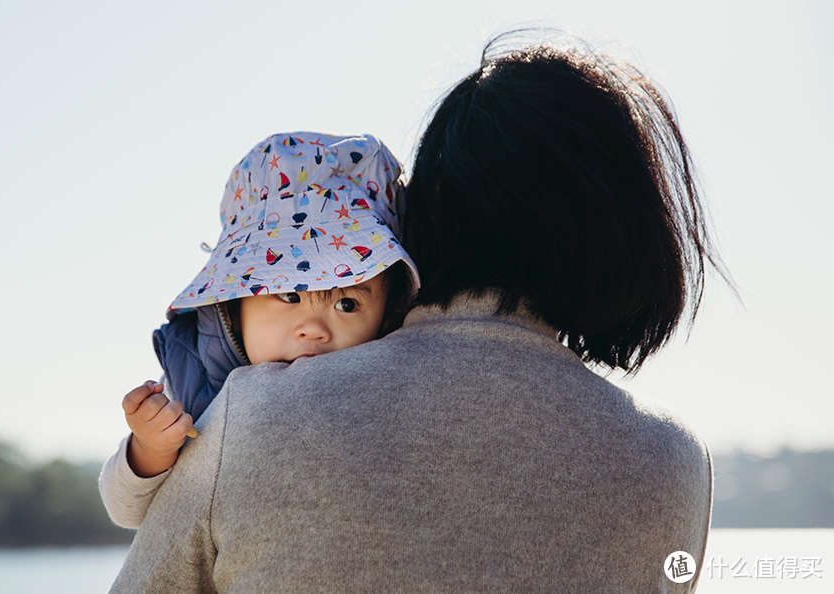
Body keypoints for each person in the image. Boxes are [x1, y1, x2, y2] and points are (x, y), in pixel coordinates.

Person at [109, 31, 727, 594]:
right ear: (628, 229)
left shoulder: (253, 415)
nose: (312, 326)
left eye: (344, 296)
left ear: (427, 209)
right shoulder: (673, 464)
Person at [99, 132, 420, 527]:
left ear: (388, 312)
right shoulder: (192, 374)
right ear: (234, 300)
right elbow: (126, 511)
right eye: (288, 296)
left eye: (346, 304)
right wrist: (149, 449)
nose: (314, 329)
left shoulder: (393, 379)